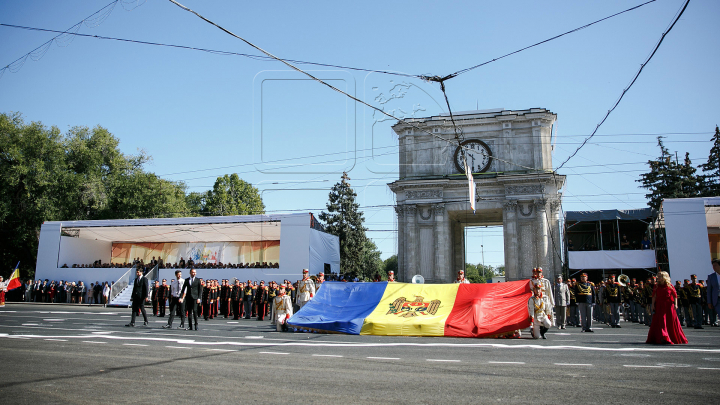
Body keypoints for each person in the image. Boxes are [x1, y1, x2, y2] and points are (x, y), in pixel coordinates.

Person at [646, 271, 688, 345]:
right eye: (658, 276)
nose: (658, 278)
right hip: (659, 305)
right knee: (661, 320)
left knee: (669, 321)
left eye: (660, 276)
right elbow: (654, 296)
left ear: (664, 277)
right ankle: (663, 336)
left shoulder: (670, 285)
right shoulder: (656, 286)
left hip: (669, 306)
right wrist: (652, 305)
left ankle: (668, 337)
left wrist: (676, 304)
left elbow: (675, 295)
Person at [707, 259, 720, 327]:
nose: (713, 267)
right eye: (713, 266)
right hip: (717, 299)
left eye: (715, 265)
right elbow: (709, 290)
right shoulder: (711, 277)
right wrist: (709, 302)